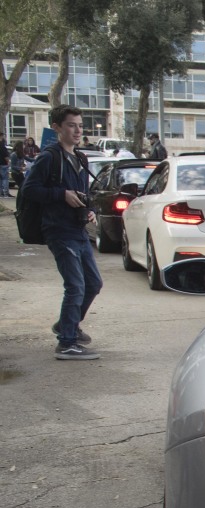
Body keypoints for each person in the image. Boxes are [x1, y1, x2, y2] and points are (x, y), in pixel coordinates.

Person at [27, 105, 103, 360]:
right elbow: (30, 190)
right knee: (76, 286)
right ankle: (67, 342)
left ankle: (66, 325)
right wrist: (62, 195)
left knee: (93, 283)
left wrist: (90, 209)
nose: (78, 130)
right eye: (72, 125)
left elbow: (84, 194)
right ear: (57, 127)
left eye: (80, 125)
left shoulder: (80, 158)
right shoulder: (49, 157)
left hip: (78, 230)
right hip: (59, 230)